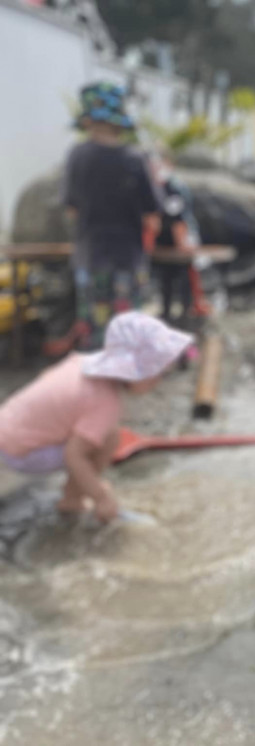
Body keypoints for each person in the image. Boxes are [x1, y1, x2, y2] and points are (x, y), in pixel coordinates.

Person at [0, 312, 192, 523]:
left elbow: (46, 376)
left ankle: (74, 491)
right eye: (159, 374)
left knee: (95, 434)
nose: (159, 381)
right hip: (20, 453)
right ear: (136, 372)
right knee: (107, 438)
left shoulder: (82, 360)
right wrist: (101, 496)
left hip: (7, 426)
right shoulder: (105, 403)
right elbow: (73, 456)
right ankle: (72, 500)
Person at [64, 82, 161, 349]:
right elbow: (152, 214)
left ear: (87, 121)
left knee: (95, 329)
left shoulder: (77, 156)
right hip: (128, 258)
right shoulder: (135, 158)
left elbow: (72, 209)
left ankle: (94, 378)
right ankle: (125, 381)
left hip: (90, 256)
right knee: (127, 327)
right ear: (120, 123)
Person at [151, 147, 199, 325]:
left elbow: (178, 219)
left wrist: (182, 244)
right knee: (165, 278)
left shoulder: (174, 187)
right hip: (163, 241)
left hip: (181, 239)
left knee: (184, 275)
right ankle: (166, 312)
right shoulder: (155, 186)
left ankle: (187, 312)